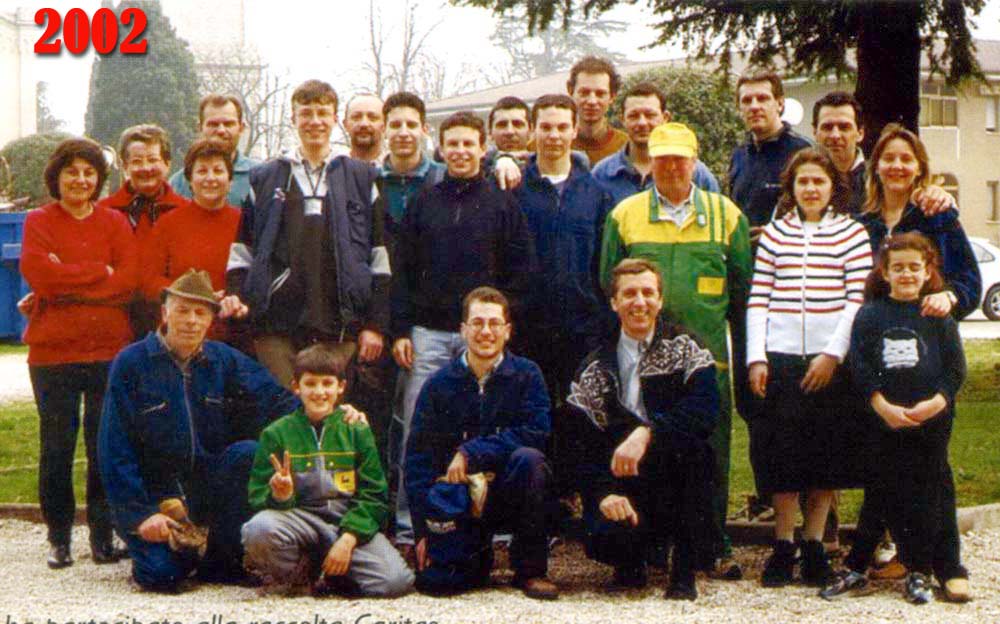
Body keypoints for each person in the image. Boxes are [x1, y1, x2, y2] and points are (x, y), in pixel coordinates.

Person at [600, 121, 752, 575]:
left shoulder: (726, 215)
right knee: (645, 444)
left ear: (694, 162)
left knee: (709, 452)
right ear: (650, 161)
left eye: (679, 159)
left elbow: (742, 292)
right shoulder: (625, 214)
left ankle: (713, 545)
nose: (670, 167)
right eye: (662, 158)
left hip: (707, 363)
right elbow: (608, 280)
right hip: (643, 360)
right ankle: (653, 542)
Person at [98, 269, 301, 591]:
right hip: (157, 496)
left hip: (206, 484)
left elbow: (277, 399)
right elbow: (114, 448)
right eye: (182, 310)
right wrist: (140, 514)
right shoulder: (132, 363)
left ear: (210, 320)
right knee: (161, 575)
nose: (191, 321)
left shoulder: (223, 360)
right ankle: (181, 551)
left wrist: (331, 414)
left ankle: (221, 560)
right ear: (165, 313)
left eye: (200, 312)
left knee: (248, 453)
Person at [390, 111, 536, 549]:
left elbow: (522, 272)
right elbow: (402, 271)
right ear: (440, 148)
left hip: (485, 337)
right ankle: (412, 523)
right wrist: (401, 329)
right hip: (429, 334)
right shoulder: (424, 202)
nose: (460, 151)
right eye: (452, 144)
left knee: (490, 427)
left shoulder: (502, 204)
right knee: (418, 429)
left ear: (483, 147)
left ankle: (496, 524)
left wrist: (502, 326)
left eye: (468, 143)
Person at [746, 148, 872, 587]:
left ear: (833, 187)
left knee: (824, 456)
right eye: (803, 182)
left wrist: (832, 354)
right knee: (782, 455)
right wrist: (757, 356)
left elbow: (857, 299)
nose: (811, 189)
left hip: (829, 362)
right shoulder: (776, 234)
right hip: (781, 359)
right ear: (792, 187)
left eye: (819, 181)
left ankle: (815, 544)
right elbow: (758, 299)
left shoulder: (852, 233)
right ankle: (783, 544)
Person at [223, 79, 390, 411]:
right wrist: (239, 297)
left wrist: (374, 325)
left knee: (332, 418)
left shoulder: (362, 177)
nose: (314, 121)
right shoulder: (266, 177)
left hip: (339, 326)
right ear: (293, 119)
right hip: (277, 326)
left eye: (322, 113)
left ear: (335, 119)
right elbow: (243, 251)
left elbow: (380, 257)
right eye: (306, 113)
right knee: (286, 415)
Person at [821, 232, 970, 605]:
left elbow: (956, 368)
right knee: (880, 490)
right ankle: (857, 565)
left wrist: (937, 402)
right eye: (898, 267)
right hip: (883, 418)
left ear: (927, 271)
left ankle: (919, 569)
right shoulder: (870, 314)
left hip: (930, 420)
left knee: (927, 492)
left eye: (914, 267)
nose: (906, 274)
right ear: (885, 272)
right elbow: (860, 365)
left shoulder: (937, 316)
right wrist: (882, 405)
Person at [567, 258, 723, 600]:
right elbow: (579, 444)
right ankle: (632, 558)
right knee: (607, 536)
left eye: (648, 293)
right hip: (622, 480)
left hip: (674, 473)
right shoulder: (595, 365)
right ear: (614, 302)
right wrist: (603, 493)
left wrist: (648, 432)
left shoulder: (686, 349)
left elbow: (705, 411)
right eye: (629, 294)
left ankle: (684, 569)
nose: (640, 302)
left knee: (697, 452)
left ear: (660, 300)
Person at [20, 137, 138, 569]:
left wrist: (66, 280)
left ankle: (103, 536)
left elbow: (127, 280)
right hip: (53, 354)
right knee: (57, 447)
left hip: (107, 350)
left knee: (103, 445)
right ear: (57, 176)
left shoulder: (114, 222)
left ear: (99, 179)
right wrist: (96, 273)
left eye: (89, 172)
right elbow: (39, 276)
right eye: (72, 172)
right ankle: (59, 537)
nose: (81, 180)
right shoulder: (39, 220)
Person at [405, 287, 557, 599]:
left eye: (494, 323)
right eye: (477, 323)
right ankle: (475, 557)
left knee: (530, 460)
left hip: (507, 492)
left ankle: (530, 570)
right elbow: (418, 462)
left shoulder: (527, 375)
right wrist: (424, 531)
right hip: (460, 501)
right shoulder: (438, 385)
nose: (485, 332)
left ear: (507, 330)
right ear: (463, 330)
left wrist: (470, 452)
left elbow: (537, 432)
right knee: (438, 584)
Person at [241, 345, 413, 597]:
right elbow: (257, 495)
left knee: (396, 582)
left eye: (327, 383)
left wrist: (349, 538)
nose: (319, 392)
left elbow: (374, 495)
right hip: (300, 521)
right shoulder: (276, 433)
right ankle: (299, 574)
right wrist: (280, 496)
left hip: (346, 522)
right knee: (258, 529)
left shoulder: (356, 430)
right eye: (310, 384)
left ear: (340, 387)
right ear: (296, 386)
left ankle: (334, 575)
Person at [513, 93, 614, 494]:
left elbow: (603, 262)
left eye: (561, 127)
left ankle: (579, 497)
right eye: (546, 127)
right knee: (532, 415)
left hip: (581, 325)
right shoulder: (514, 189)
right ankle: (539, 499)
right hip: (528, 326)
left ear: (574, 131)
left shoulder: (595, 192)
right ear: (533, 131)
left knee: (581, 415)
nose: (553, 135)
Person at [858, 124, 981, 321]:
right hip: (874, 333)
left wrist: (948, 297)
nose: (897, 166)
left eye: (906, 159)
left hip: (927, 332)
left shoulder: (937, 216)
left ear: (919, 169)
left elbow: (970, 283)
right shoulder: (862, 224)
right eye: (888, 158)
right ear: (876, 167)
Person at [145, 139, 241, 342]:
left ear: (230, 179)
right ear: (189, 179)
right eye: (202, 171)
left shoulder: (244, 225)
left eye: (218, 170)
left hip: (232, 333)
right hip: (180, 333)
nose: (210, 178)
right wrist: (191, 296)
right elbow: (149, 279)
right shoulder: (168, 223)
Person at [97, 124, 186, 336]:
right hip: (116, 321)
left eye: (153, 159)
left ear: (167, 163)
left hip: (171, 324)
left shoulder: (185, 212)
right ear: (124, 166)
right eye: (137, 161)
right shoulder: (104, 212)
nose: (146, 168)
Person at [812, 91, 954, 216]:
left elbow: (922, 198)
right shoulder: (804, 180)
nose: (835, 135)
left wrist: (939, 196)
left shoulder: (884, 176)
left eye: (844, 127)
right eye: (827, 127)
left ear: (860, 133)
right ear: (814, 132)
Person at [592, 81, 719, 205]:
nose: (642, 123)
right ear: (622, 120)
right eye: (633, 116)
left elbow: (716, 213)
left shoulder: (695, 173)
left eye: (650, 115)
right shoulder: (602, 174)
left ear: (665, 118)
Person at [727, 69, 812, 236]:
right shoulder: (738, 156)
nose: (754, 106)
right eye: (747, 100)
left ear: (780, 104)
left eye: (762, 98)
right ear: (739, 108)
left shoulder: (803, 153)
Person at [169, 93, 259, 207]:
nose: (221, 130)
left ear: (241, 128)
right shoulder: (178, 183)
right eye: (213, 124)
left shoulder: (260, 176)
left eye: (228, 124)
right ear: (200, 128)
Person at [567, 56, 628, 164]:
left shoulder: (627, 148)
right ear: (571, 91)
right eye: (584, 93)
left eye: (600, 94)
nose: (592, 101)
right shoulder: (547, 145)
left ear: (612, 96)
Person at [344, 93, 386, 165]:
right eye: (356, 117)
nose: (364, 124)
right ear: (345, 124)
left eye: (372, 117)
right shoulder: (334, 168)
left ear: (385, 125)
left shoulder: (397, 169)